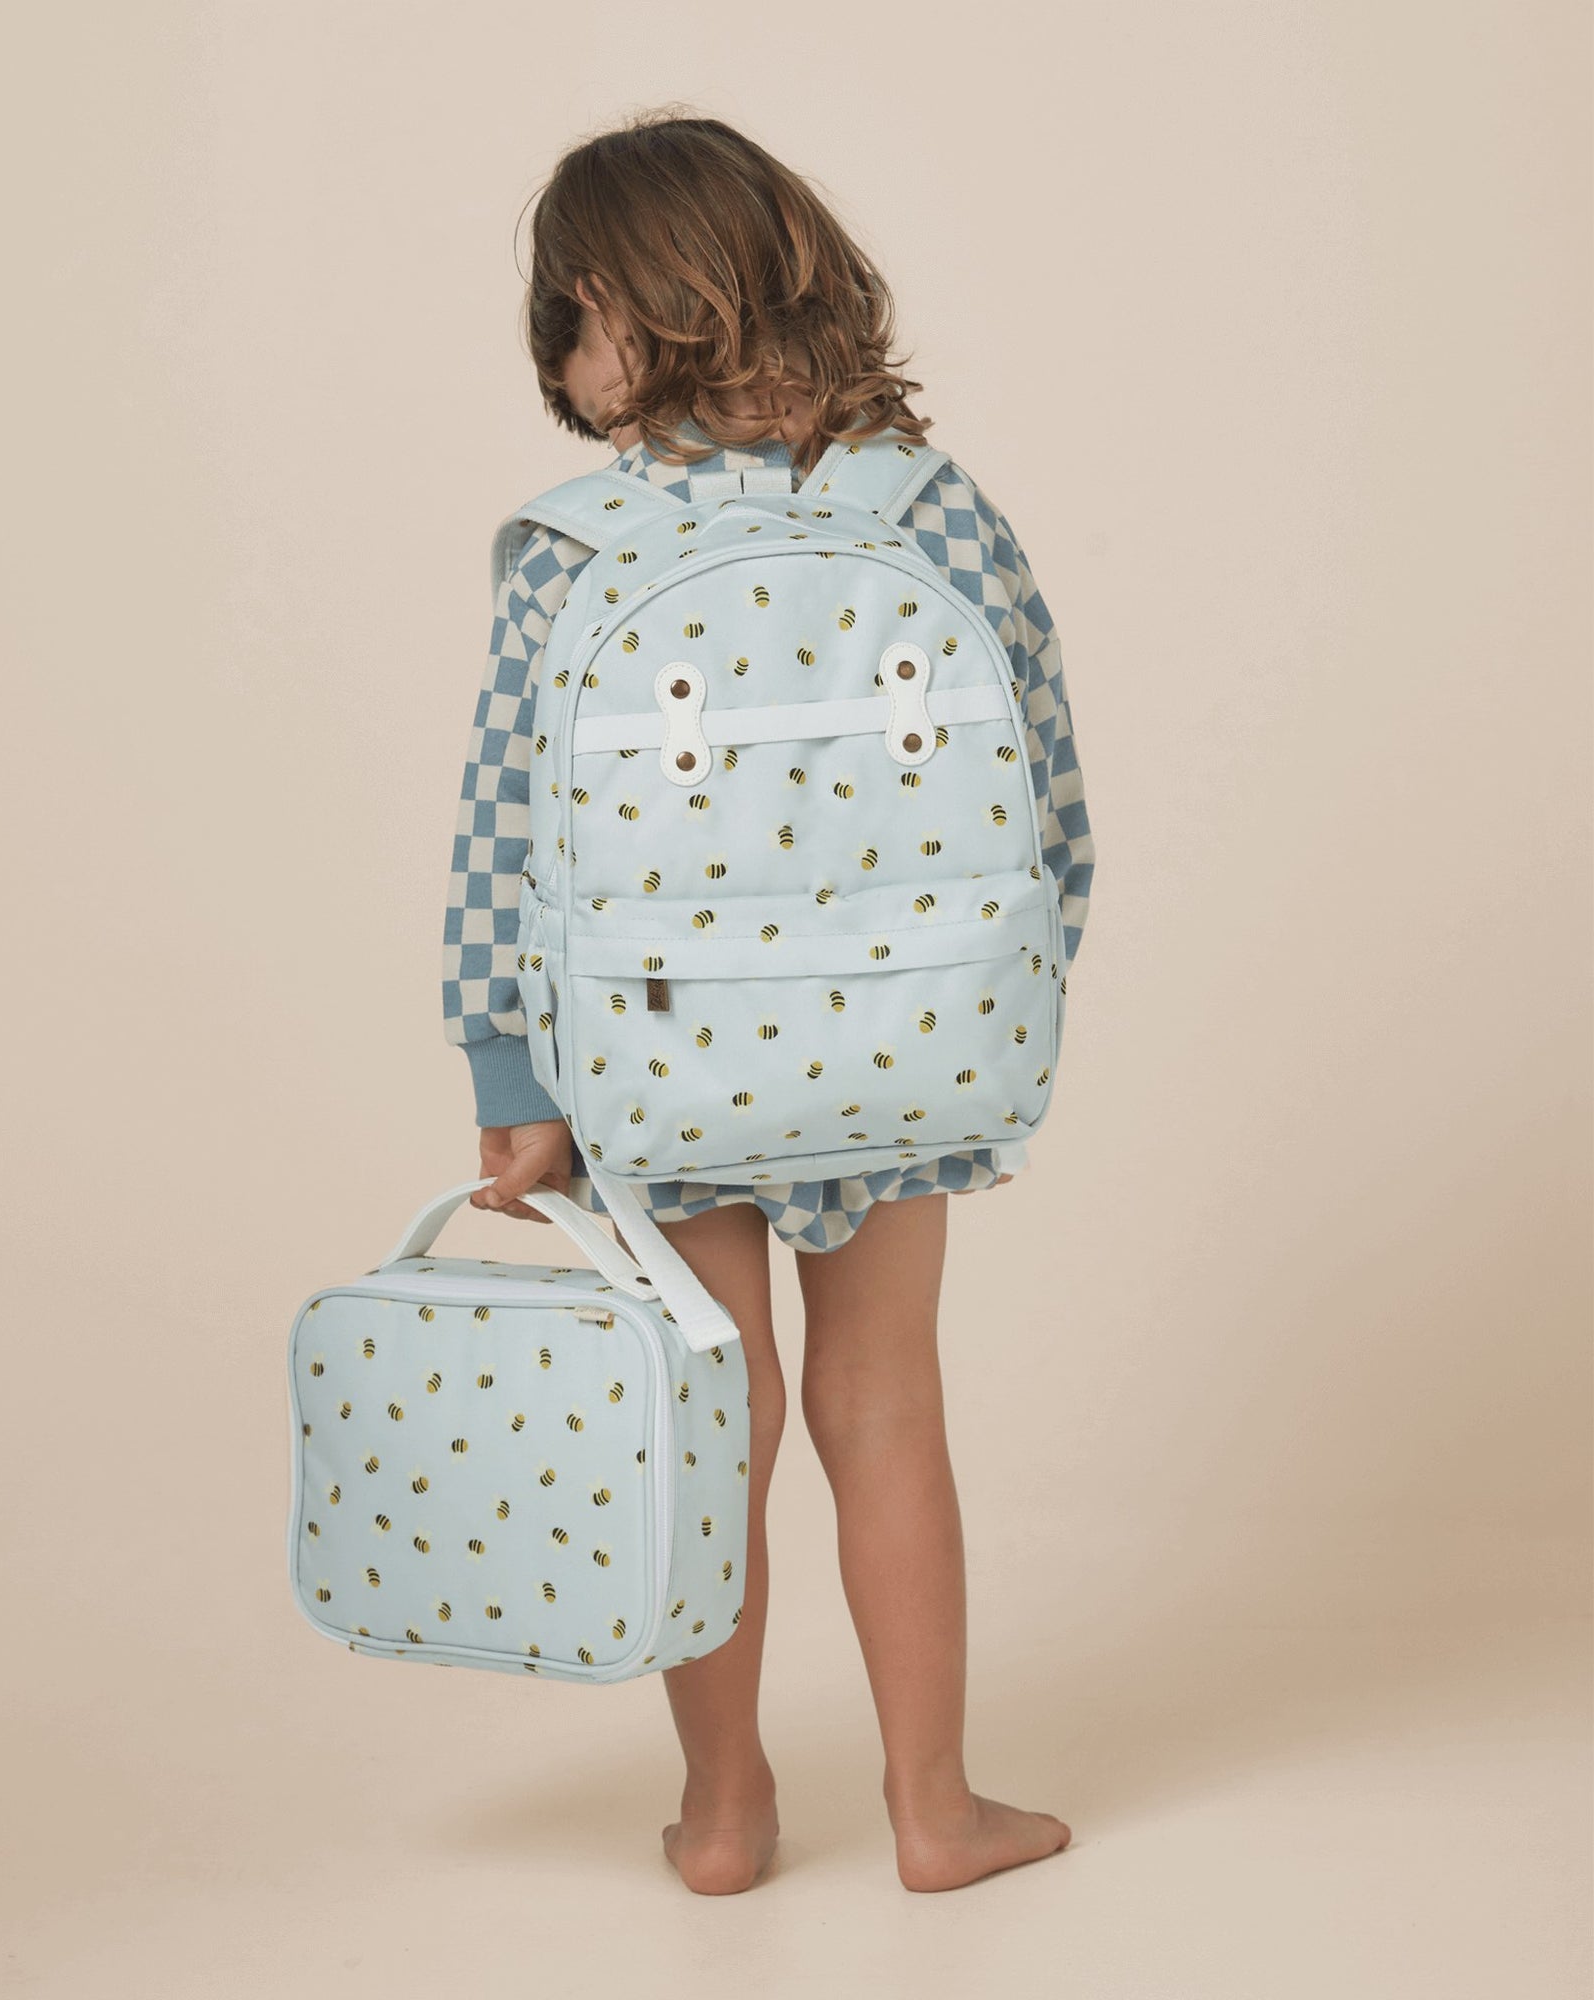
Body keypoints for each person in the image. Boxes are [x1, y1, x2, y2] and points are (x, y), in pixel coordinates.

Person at [440, 110, 1095, 1896]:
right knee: (885, 1408)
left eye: (566, 321)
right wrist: (1002, 995)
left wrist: (511, 1074)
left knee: (704, 1426)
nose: (560, 367)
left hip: (654, 1055)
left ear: (622, 307)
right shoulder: (933, 508)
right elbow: (1047, 797)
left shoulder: (576, 546)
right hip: (901, 1045)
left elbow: (504, 831)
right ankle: (936, 1812)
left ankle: (727, 1814)